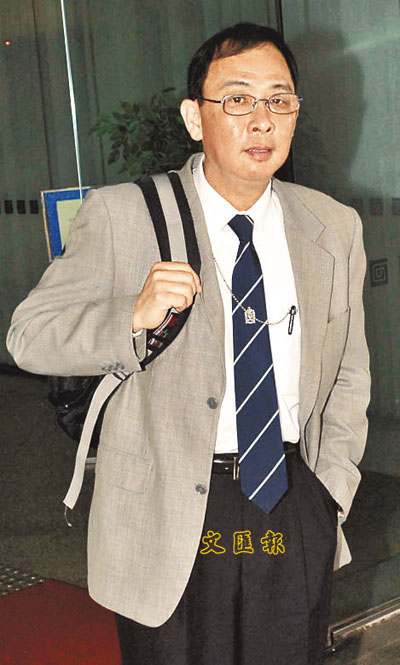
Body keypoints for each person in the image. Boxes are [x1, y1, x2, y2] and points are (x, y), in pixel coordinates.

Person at [7, 22, 370, 665]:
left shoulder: (332, 226)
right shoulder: (125, 215)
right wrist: (131, 315)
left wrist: (329, 492)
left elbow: (348, 372)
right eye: (238, 98)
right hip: (170, 510)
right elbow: (29, 336)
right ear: (195, 117)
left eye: (278, 100)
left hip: (290, 499)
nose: (261, 119)